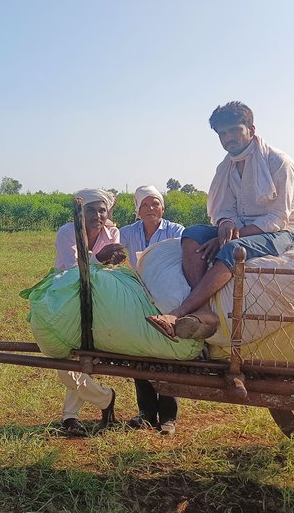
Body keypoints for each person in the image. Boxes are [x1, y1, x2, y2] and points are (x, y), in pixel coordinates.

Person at [146, 101, 294, 340]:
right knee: (192, 235)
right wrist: (226, 225)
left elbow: (278, 218)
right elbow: (225, 209)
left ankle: (179, 311)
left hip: (284, 231)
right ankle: (204, 312)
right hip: (243, 226)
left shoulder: (277, 162)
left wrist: (231, 237)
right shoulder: (226, 166)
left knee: (233, 248)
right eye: (222, 133)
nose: (228, 138)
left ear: (251, 129)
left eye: (234, 130)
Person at [54, 188, 126, 437]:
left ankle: (70, 416)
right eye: (91, 210)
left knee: (84, 353)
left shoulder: (112, 232)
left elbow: (113, 266)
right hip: (66, 294)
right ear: (80, 212)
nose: (97, 215)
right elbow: (74, 268)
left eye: (102, 210)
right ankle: (105, 398)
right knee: (62, 356)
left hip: (98, 297)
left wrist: (112, 260)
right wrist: (100, 257)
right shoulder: (67, 231)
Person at [120, 185, 184, 435]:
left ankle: (168, 416)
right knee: (141, 350)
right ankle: (146, 412)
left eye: (155, 203)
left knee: (167, 351)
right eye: (145, 205)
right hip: (139, 296)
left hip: (167, 297)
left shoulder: (176, 230)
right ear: (137, 210)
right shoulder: (128, 232)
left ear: (162, 207)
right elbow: (111, 243)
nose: (150, 209)